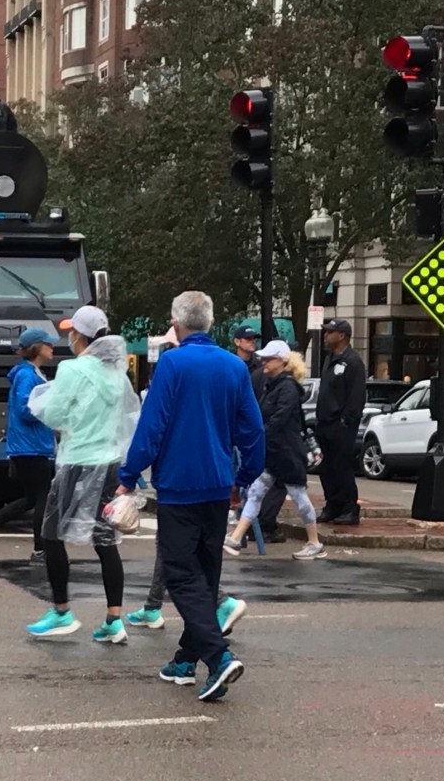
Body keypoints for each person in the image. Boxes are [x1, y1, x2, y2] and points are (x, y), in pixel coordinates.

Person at [116, 292, 264, 702]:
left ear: (176, 324)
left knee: (181, 574)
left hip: (179, 484)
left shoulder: (172, 364)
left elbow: (153, 426)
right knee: (205, 574)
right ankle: (185, 659)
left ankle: (218, 656)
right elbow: (253, 429)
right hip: (217, 483)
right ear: (211, 322)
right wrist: (244, 477)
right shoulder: (234, 366)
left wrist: (128, 475)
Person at [24, 306, 140, 643]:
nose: (69, 337)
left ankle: (61, 611)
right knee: (105, 540)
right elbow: (127, 416)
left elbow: (54, 413)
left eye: (71, 332)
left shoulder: (71, 369)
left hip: (77, 461)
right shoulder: (117, 374)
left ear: (81, 336)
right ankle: (114, 619)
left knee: (51, 533)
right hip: (109, 462)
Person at [224, 341, 327, 561]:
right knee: (256, 493)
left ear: (282, 361)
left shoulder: (287, 387)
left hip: (287, 453)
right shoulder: (275, 385)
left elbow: (279, 419)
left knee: (298, 496)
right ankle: (237, 536)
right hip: (275, 452)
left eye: (269, 358)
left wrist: (258, 435)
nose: (264, 362)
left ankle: (314, 542)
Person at [0, 328, 57, 564]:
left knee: (32, 497)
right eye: (48, 344)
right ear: (37, 347)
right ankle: (40, 550)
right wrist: (51, 410)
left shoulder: (30, 373)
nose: (52, 347)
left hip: (29, 445)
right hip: (31, 446)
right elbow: (25, 409)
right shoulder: (27, 375)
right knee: (43, 496)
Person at [233, 324, 286, 543]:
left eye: (253, 338)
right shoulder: (232, 365)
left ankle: (253, 526)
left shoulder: (259, 370)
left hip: (256, 428)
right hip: (242, 427)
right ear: (237, 342)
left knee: (262, 480)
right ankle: (254, 525)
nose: (251, 342)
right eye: (247, 339)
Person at [315, 318, 366, 525]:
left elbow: (356, 396)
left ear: (342, 335)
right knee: (326, 467)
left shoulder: (353, 362)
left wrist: (346, 420)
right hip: (324, 422)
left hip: (341, 424)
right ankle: (332, 504)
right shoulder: (329, 358)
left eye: (330, 332)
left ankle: (349, 507)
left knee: (341, 466)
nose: (326, 336)